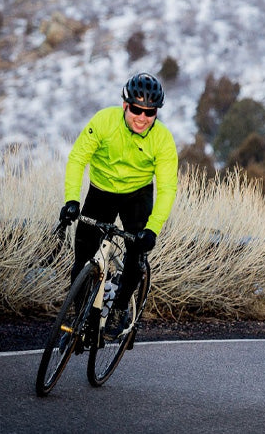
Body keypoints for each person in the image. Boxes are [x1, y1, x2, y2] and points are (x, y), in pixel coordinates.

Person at [58, 72, 178, 339]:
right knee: (83, 258)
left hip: (137, 195)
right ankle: (80, 322)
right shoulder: (104, 121)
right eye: (136, 109)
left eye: (150, 112)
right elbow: (78, 158)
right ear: (125, 105)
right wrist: (71, 200)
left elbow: (168, 188)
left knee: (136, 253)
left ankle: (119, 308)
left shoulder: (163, 140)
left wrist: (152, 229)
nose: (142, 117)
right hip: (101, 191)